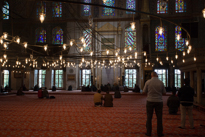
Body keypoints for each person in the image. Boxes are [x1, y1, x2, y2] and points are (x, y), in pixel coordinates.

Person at [142, 72, 166, 136]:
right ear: (157, 75)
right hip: (159, 101)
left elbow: (144, 92)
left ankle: (149, 132)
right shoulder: (161, 82)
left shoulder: (148, 82)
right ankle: (159, 133)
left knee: (149, 117)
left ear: (151, 75)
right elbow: (164, 93)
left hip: (150, 101)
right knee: (159, 118)